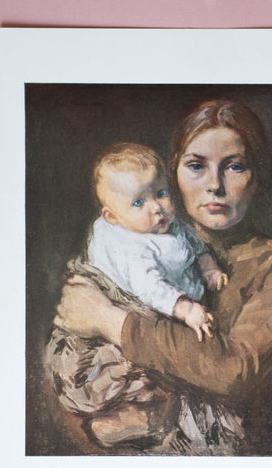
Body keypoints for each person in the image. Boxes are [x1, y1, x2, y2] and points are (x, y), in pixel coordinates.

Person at [48, 100, 272, 455]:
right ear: (174, 172)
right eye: (196, 166)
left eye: (234, 167)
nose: (215, 186)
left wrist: (108, 319)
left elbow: (232, 371)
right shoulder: (136, 241)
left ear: (257, 178)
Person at [86, 142, 227, 341]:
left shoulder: (169, 225)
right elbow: (150, 289)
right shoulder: (131, 248)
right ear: (113, 217)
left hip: (188, 300)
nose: (156, 207)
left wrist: (209, 269)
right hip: (156, 312)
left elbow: (196, 245)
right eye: (138, 202)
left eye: (161, 193)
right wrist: (186, 309)